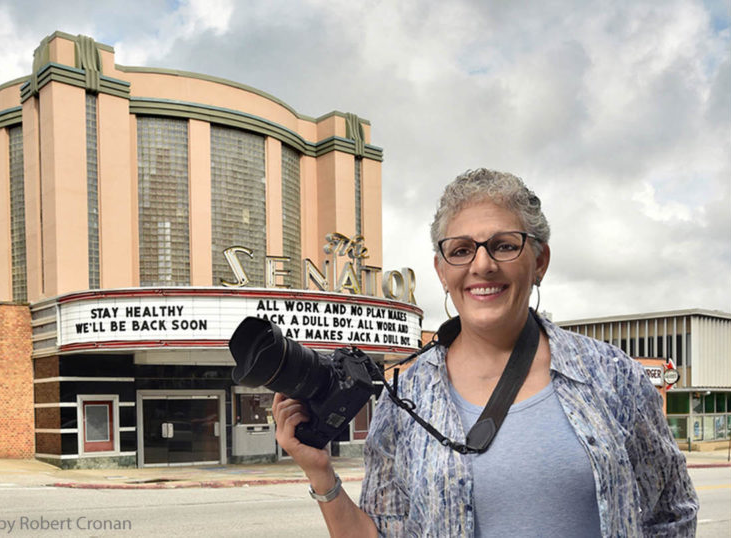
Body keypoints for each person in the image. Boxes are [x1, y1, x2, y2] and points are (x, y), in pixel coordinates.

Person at [272, 168, 698, 537]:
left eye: (504, 245)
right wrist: (321, 474)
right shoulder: (404, 398)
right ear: (441, 271)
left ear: (540, 260)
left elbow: (672, 514)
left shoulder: (613, 377)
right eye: (460, 250)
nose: (482, 265)